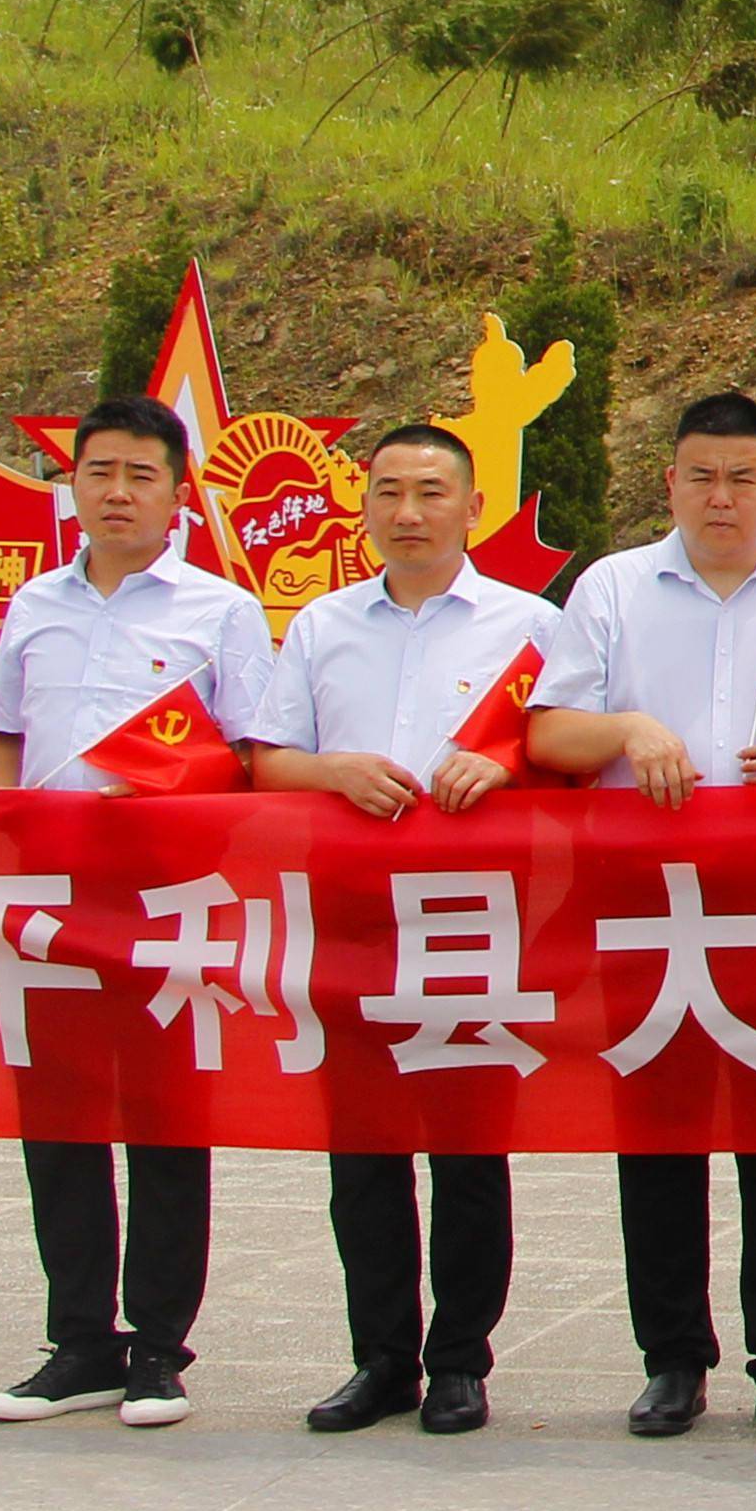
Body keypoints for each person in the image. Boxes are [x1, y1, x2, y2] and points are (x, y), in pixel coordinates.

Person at [525, 390, 756, 1443]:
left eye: (742, 477)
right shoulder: (614, 588)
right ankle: (672, 1356)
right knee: (659, 1131)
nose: (720, 497)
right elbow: (548, 735)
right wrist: (628, 725)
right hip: (648, 897)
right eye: (700, 476)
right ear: (669, 481)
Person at [0, 392, 282, 1428]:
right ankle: (79, 1341)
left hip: (161, 894)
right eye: (98, 470)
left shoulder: (220, 610)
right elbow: (1, 735)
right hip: (49, 894)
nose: (116, 491)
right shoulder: (33, 604)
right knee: (55, 1112)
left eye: (140, 474)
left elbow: (249, 756)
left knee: (162, 1113)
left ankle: (157, 1344)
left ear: (176, 491)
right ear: (73, 483)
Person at [253, 420, 558, 1435]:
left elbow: (563, 752)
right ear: (365, 505)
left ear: (475, 507)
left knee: (469, 1141)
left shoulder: (529, 627)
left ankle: (461, 1356)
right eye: (388, 491)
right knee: (363, 1145)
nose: (408, 511)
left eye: (432, 491)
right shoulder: (321, 624)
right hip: (348, 910)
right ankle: (380, 1354)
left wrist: (508, 764)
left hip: (476, 910)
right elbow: (267, 761)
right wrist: (332, 769)